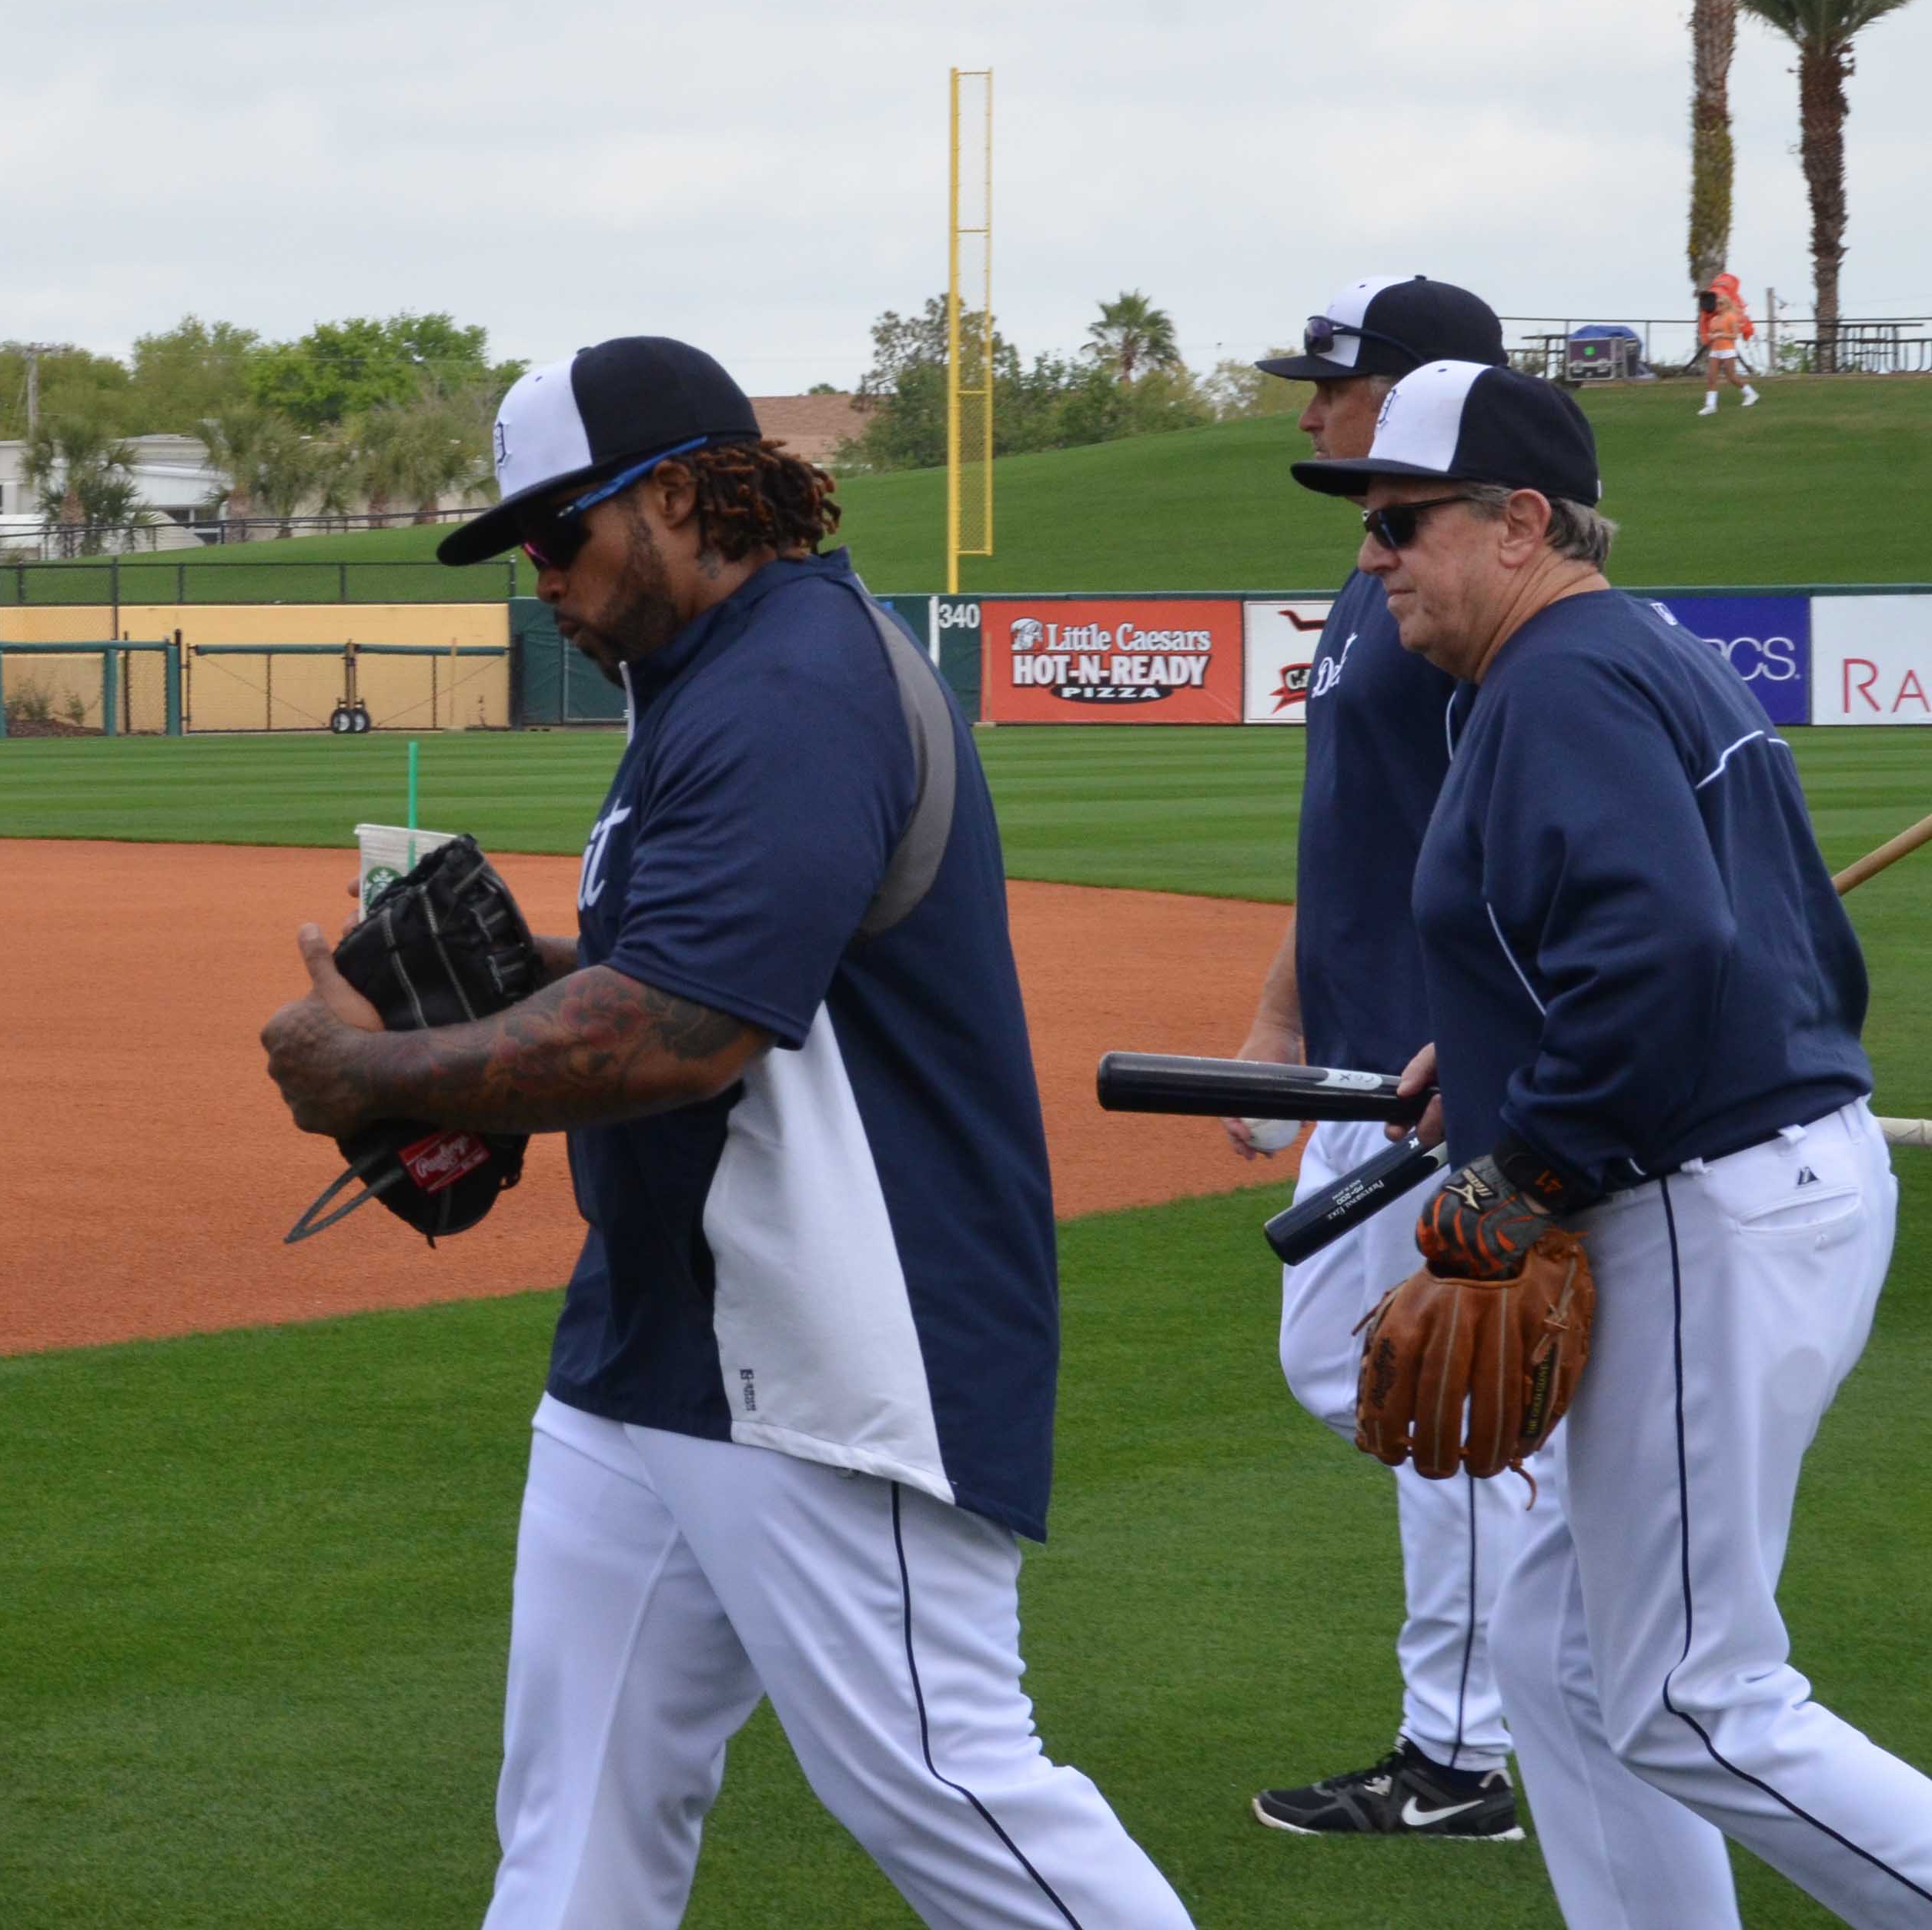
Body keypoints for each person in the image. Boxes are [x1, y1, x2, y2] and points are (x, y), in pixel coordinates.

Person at [262, 337, 1190, 1930]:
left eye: (559, 534)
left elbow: (684, 1034)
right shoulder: (710, 683)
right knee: (575, 1825)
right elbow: (681, 973)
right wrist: (472, 1009)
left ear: (681, 495)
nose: (538, 578)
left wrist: (385, 1079)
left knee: (945, 1781)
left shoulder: (791, 687)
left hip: (837, 1338)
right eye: (519, 551)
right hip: (658, 1339)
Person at [1302, 360, 1932, 1925]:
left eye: (1400, 521)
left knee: (1691, 1697)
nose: (1372, 557)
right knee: (1557, 1651)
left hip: (1699, 1208)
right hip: (1754, 1177)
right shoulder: (1618, 651)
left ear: (1517, 522)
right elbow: (1750, 946)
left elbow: (1662, 956)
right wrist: (1507, 1043)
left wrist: (1521, 1174)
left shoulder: (1559, 678)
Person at [1222, 275, 1536, 1843]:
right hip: (1352, 1060)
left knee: (1447, 1393)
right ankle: (1550, 1547)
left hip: (1438, 1077)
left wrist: (1484, 1039)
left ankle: (1459, 1753)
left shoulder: (1480, 601)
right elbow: (1346, 837)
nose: (1307, 412)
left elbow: (1536, 845)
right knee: (1354, 1367)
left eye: (1330, 388)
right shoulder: (1375, 577)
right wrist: (1280, 1018)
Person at [1697, 272, 1757, 414]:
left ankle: (1751, 394)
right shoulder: (1714, 320)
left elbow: (1735, 336)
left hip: (1728, 350)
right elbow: (1710, 333)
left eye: (1721, 303)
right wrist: (1710, 337)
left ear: (1726, 305)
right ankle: (1711, 405)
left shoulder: (1731, 317)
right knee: (1711, 377)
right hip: (1716, 350)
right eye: (1718, 303)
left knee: (1731, 377)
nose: (1718, 305)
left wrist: (1721, 334)